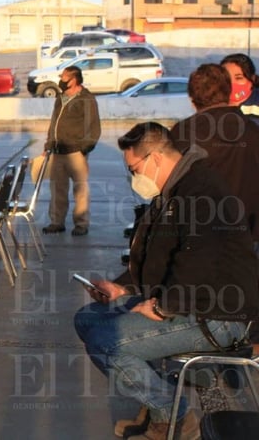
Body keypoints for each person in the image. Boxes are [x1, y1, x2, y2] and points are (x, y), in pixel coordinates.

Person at [74, 121, 259, 440]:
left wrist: (163, 307)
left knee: (106, 341)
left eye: (134, 169)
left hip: (217, 314)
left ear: (156, 158)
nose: (134, 178)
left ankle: (173, 414)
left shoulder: (202, 192)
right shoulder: (176, 189)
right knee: (88, 319)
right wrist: (124, 287)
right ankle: (159, 400)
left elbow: (198, 261)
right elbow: (156, 256)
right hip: (186, 299)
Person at [170, 63, 259, 241]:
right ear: (228, 92)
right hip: (248, 234)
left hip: (201, 236)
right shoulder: (252, 131)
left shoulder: (182, 132)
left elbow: (171, 186)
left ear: (192, 99)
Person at [42, 65, 100, 236]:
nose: (61, 80)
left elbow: (94, 127)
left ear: (74, 79)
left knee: (80, 189)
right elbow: (54, 123)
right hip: (58, 151)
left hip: (76, 153)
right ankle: (56, 221)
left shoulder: (86, 99)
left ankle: (81, 223)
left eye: (64, 77)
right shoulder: (60, 98)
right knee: (57, 189)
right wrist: (48, 145)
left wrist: (84, 148)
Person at [221, 52, 259, 120]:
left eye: (239, 78)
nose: (232, 82)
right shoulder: (214, 104)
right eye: (227, 77)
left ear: (252, 78)